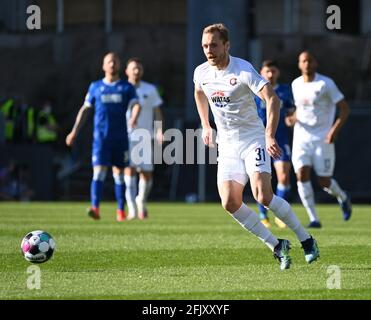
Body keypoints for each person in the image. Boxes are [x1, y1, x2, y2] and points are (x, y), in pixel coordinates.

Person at [193, 23, 319, 270]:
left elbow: (272, 99)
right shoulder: (201, 72)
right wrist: (205, 125)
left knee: (263, 195)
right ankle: (276, 245)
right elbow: (199, 92)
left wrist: (269, 135)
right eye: (205, 46)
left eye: (214, 45)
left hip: (253, 139)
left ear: (227, 45)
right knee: (229, 202)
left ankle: (306, 239)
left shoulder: (242, 70)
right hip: (228, 144)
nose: (209, 50)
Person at [66, 52, 141, 221]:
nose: (112, 64)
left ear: (119, 65)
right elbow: (85, 110)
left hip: (120, 138)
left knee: (119, 175)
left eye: (115, 61)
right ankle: (95, 208)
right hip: (101, 139)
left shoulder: (126, 87)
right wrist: (74, 132)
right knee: (98, 173)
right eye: (109, 61)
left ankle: (121, 211)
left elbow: (136, 104)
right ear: (103, 66)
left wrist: (134, 117)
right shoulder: (95, 87)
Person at [287, 51, 352, 228]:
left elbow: (345, 109)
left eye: (310, 60)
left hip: (322, 138)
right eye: (303, 61)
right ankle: (313, 218)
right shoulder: (296, 84)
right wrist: (292, 118)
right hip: (301, 138)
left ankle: (342, 197)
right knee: (301, 175)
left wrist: (333, 131)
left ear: (315, 63)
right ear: (299, 64)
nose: (306, 64)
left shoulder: (326, 83)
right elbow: (299, 109)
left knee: (324, 181)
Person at [254, 60, 295, 229]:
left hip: (281, 138)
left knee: (284, 176)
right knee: (262, 179)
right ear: (261, 73)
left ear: (277, 73)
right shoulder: (254, 91)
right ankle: (263, 214)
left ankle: (280, 214)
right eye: (267, 71)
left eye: (273, 71)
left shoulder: (285, 91)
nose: (270, 74)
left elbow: (293, 111)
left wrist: (293, 118)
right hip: (258, 139)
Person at [124, 57, 164, 220]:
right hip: (125, 136)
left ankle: (141, 199)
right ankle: (132, 209)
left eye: (139, 68)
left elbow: (158, 112)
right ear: (126, 71)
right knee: (129, 171)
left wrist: (160, 130)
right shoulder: (121, 89)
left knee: (146, 173)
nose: (136, 71)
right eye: (133, 68)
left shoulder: (150, 89)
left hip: (145, 136)